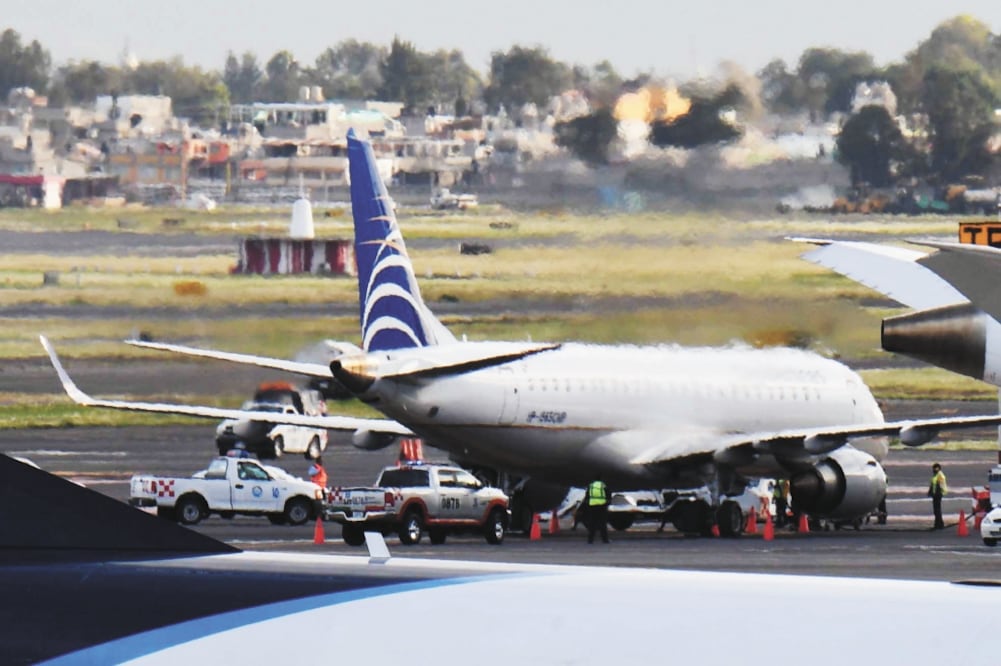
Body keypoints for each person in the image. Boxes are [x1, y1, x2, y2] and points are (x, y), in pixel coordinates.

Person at [586, 475, 610, 544]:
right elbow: (608, 494)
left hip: (592, 506)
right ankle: (605, 540)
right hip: (602, 506)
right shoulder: (603, 485)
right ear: (601, 479)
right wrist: (607, 503)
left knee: (592, 523)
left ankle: (590, 540)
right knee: (602, 523)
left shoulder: (591, 485)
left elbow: (587, 495)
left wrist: (588, 503)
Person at [929, 463, 947, 529]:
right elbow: (933, 485)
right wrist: (930, 492)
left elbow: (940, 486)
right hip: (936, 495)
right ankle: (938, 524)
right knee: (936, 510)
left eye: (934, 468)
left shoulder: (940, 476)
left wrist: (938, 493)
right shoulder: (936, 475)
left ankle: (939, 525)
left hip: (938, 495)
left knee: (937, 510)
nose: (933, 470)